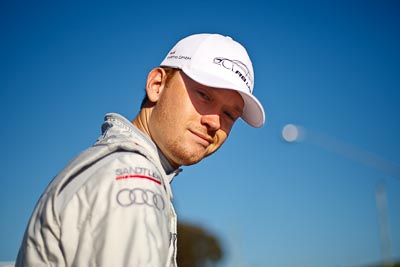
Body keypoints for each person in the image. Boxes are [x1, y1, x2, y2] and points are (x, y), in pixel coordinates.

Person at [15, 33, 265, 266]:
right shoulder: (133, 177)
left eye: (229, 114)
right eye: (204, 95)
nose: (214, 122)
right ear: (157, 85)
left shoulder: (114, 165)